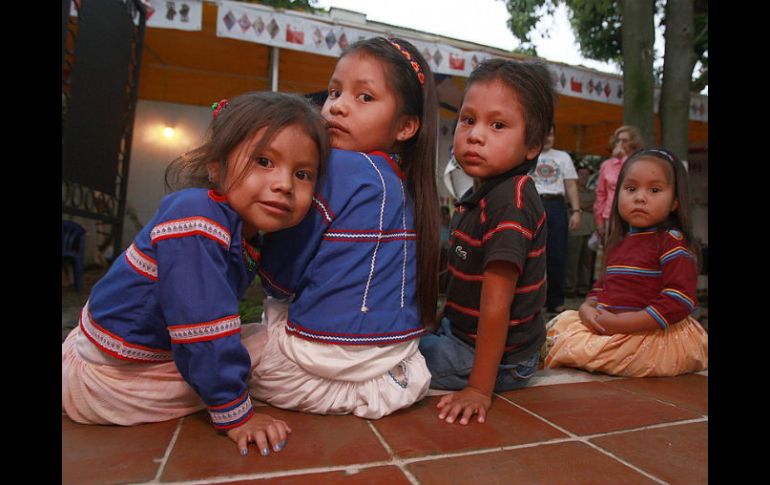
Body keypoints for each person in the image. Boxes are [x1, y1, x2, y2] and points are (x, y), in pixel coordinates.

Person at [61, 92, 330, 457]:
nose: (284, 183)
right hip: (110, 381)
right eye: (264, 161)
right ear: (216, 167)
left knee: (270, 341)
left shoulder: (237, 229)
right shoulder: (197, 219)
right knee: (277, 353)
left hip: (131, 357)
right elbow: (201, 327)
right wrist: (237, 416)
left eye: (302, 174)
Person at [251, 37, 439, 419]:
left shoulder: (336, 168)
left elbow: (278, 280)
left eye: (364, 97)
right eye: (334, 92)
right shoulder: (406, 184)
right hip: (392, 354)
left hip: (327, 354)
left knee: (219, 347)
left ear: (405, 126)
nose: (337, 106)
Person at [419, 58, 555, 425]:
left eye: (497, 125)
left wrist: (479, 389)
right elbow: (459, 279)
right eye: (468, 120)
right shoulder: (481, 193)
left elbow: (496, 307)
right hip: (462, 336)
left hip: (498, 360)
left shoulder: (511, 203)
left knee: (393, 355)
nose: (476, 134)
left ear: (532, 146)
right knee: (400, 334)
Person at [545, 148, 708, 377]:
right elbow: (603, 285)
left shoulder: (671, 242)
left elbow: (678, 300)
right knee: (557, 334)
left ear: (675, 202)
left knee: (588, 357)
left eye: (654, 190)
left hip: (652, 334)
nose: (640, 197)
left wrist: (622, 324)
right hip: (611, 325)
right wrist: (587, 308)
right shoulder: (619, 241)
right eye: (631, 189)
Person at [530, 125, 581, 313]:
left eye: (551, 134)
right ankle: (531, 302)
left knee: (557, 254)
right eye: (544, 134)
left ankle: (555, 301)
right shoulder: (527, 153)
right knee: (531, 254)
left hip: (556, 205)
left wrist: (576, 211)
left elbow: (571, 185)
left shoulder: (563, 157)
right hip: (533, 204)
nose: (548, 138)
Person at [593, 125, 643, 242]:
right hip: (610, 216)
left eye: (624, 141)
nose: (620, 144)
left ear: (633, 143)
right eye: (618, 140)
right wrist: (599, 221)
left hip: (634, 215)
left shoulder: (640, 163)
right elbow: (601, 194)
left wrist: (624, 159)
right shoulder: (607, 165)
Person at [565, 162, 597, 297]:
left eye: (586, 174)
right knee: (572, 260)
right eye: (581, 174)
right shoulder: (571, 191)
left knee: (587, 262)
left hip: (590, 230)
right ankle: (569, 288)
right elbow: (581, 205)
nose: (584, 177)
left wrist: (583, 206)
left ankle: (584, 288)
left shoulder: (592, 192)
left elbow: (596, 206)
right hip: (575, 230)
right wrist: (584, 206)